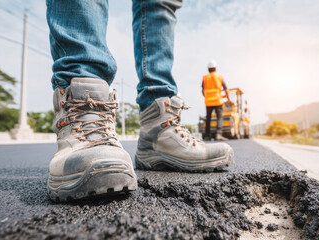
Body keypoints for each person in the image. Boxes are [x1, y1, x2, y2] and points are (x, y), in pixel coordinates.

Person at [45, 0, 234, 202]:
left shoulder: (208, 78)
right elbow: (217, 89)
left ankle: (160, 128)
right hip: (215, 102)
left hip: (209, 102)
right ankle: (82, 105)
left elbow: (204, 89)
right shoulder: (216, 77)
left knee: (160, 1)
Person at [202, 60, 229, 141]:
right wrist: (227, 98)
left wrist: (206, 97)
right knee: (219, 118)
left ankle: (207, 136)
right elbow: (226, 89)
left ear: (208, 69)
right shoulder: (219, 77)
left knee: (208, 118)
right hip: (218, 101)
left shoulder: (205, 78)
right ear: (215, 68)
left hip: (208, 102)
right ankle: (218, 134)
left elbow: (203, 90)